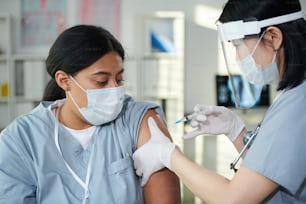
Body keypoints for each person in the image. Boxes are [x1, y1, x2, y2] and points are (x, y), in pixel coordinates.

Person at [133, 0, 306, 203]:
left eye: (239, 45)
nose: (237, 56)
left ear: (273, 37)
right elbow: (270, 171)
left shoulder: (298, 103)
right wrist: (236, 131)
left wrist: (169, 155)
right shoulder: (294, 94)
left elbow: (233, 199)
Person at [0, 25, 181, 204]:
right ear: (64, 80)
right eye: (101, 82)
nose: (114, 89)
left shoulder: (139, 119)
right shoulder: (20, 139)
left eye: (119, 79)